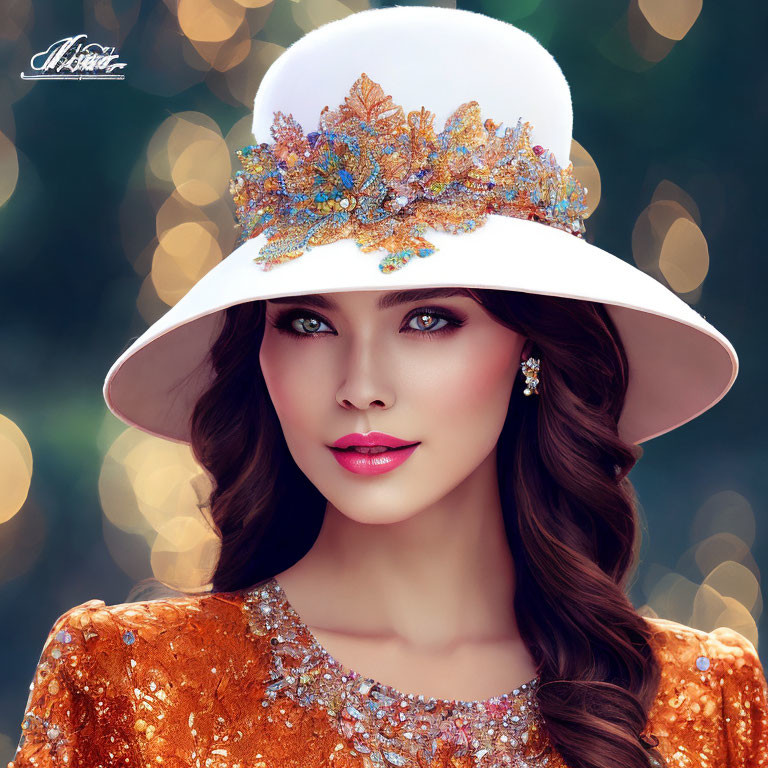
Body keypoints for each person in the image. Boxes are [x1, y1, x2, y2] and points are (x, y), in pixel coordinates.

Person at [8, 7, 767, 768]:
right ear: (258, 352)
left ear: (529, 343)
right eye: (308, 323)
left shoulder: (706, 703)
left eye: (429, 320)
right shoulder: (124, 682)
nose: (361, 386)